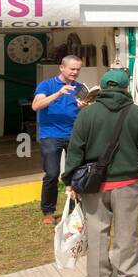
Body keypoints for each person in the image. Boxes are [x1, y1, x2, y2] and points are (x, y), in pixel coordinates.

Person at [61, 69, 138, 277]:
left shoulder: (87, 114)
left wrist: (70, 180)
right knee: (126, 231)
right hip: (127, 182)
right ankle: (128, 276)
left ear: (101, 88)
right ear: (125, 88)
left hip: (94, 184)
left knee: (96, 232)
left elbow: (75, 149)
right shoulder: (136, 112)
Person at [32, 55, 87, 226]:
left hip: (73, 134)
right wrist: (57, 93)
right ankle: (48, 211)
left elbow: (79, 109)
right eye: (72, 69)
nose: (75, 72)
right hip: (50, 135)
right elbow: (36, 106)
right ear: (61, 68)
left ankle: (73, 209)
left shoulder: (79, 87)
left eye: (78, 69)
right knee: (52, 173)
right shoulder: (47, 85)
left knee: (76, 173)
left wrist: (83, 106)